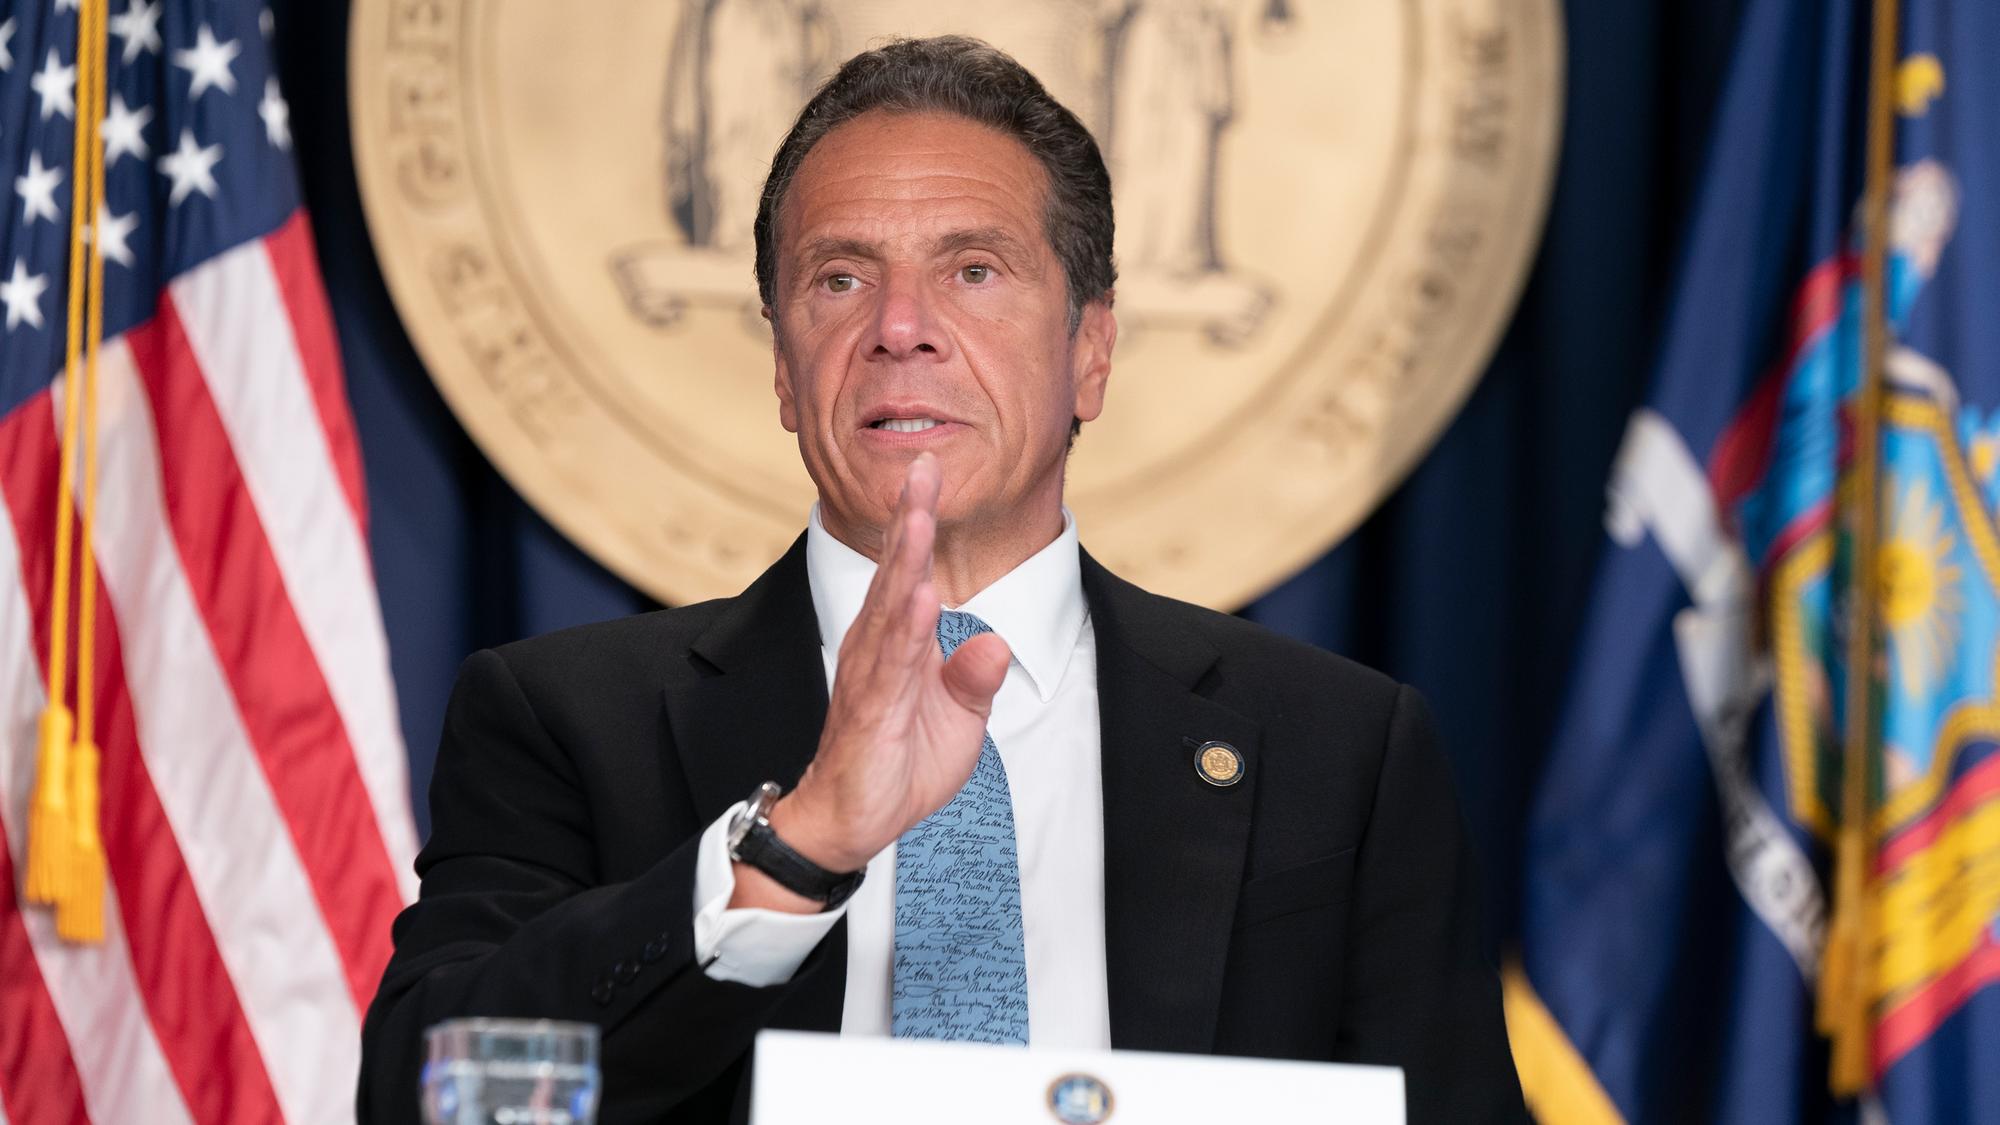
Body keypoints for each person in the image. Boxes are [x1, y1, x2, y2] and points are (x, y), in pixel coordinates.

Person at [359, 35, 1525, 1125]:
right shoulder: (565, 717)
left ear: (1089, 352)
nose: (899, 327)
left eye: (972, 271)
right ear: (781, 367)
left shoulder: (1338, 746)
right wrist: (800, 842)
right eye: (838, 280)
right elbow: (434, 1096)